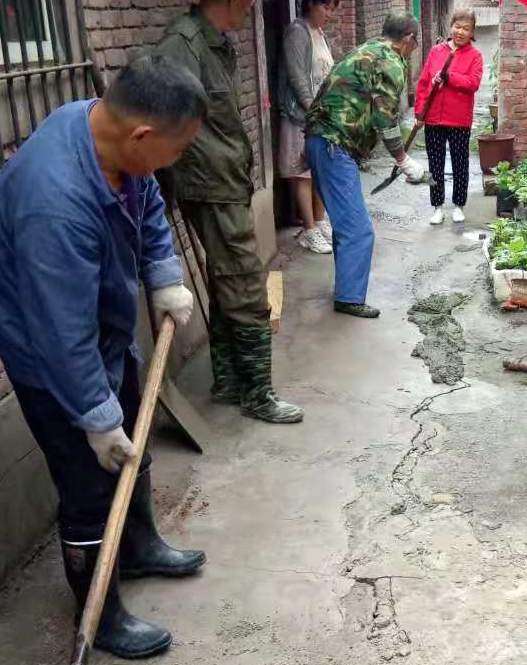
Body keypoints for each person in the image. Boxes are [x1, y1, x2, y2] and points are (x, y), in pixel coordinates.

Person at [0, 55, 209, 659]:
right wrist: (94, 417)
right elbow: (61, 335)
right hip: (50, 358)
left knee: (133, 434)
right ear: (142, 134)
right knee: (89, 480)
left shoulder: (107, 137)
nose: (175, 160)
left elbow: (147, 197)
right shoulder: (53, 202)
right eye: (176, 149)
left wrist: (163, 274)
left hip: (100, 329)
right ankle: (99, 617)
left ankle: (137, 547)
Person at [156, 0, 304, 423]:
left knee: (227, 282)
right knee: (245, 285)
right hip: (210, 187)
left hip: (225, 181)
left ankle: (228, 382)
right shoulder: (182, 46)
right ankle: (258, 393)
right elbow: (167, 124)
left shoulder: (217, 44)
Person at [304, 12, 427, 319]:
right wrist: (403, 159)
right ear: (409, 39)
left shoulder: (368, 48)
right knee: (358, 229)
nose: (414, 49)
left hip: (320, 139)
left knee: (345, 222)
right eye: (416, 42)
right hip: (334, 144)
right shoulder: (392, 61)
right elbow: (384, 118)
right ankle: (348, 298)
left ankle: (345, 289)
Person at [278, 0, 337, 255]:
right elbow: (298, 78)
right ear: (311, 4)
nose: (329, 14)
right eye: (326, 7)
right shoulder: (297, 32)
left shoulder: (319, 34)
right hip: (301, 117)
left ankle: (320, 221)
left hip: (320, 117)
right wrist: (312, 110)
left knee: (318, 170)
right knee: (302, 173)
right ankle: (309, 229)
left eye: (332, 9)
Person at [415, 9, 482, 225]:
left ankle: (459, 205)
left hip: (459, 120)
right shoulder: (436, 51)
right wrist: (419, 112)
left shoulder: (475, 56)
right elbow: (423, 83)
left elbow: (473, 83)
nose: (460, 32)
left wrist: (449, 77)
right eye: (457, 26)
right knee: (435, 165)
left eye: (466, 28)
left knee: (460, 164)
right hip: (433, 118)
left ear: (472, 32)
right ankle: (437, 207)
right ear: (450, 26)